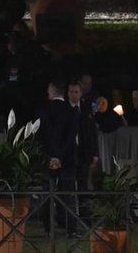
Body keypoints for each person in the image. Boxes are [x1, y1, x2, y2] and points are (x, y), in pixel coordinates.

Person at [38, 81, 80, 235]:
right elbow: (71, 138)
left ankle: (49, 229)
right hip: (67, 160)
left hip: (48, 161)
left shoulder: (44, 111)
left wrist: (51, 157)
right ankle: (71, 230)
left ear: (51, 92)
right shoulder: (72, 111)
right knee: (68, 195)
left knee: (47, 195)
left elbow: (40, 139)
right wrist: (60, 157)